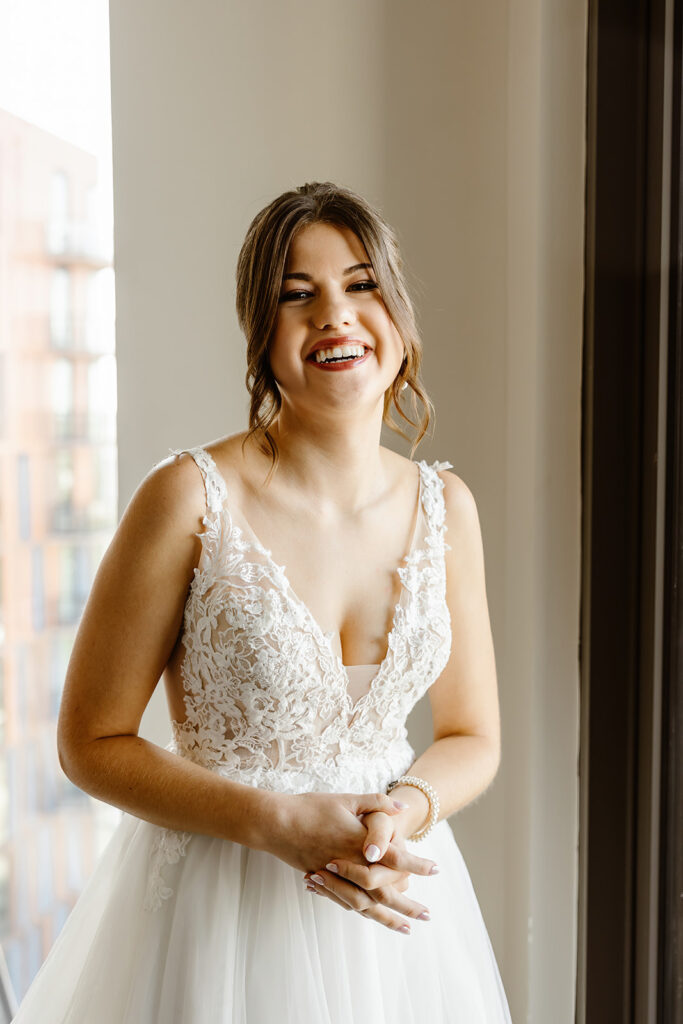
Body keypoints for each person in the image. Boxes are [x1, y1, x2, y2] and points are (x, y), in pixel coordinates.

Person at [13, 181, 512, 1022]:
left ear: (397, 316)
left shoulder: (445, 506)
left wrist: (404, 809)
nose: (334, 316)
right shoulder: (187, 498)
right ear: (260, 332)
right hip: (218, 915)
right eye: (296, 295)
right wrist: (273, 821)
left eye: (360, 285)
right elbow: (89, 742)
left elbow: (472, 735)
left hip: (393, 915)